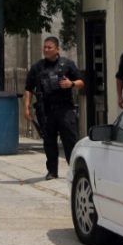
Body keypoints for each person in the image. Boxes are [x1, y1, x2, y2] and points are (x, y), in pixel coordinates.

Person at [24, 36, 84, 181]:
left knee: (70, 140)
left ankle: (75, 170)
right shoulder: (38, 67)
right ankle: (52, 171)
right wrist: (26, 107)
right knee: (49, 142)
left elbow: (81, 82)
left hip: (65, 109)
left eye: (49, 47)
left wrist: (71, 84)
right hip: (46, 110)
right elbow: (28, 88)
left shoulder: (67, 64)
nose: (46, 50)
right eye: (44, 47)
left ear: (57, 49)